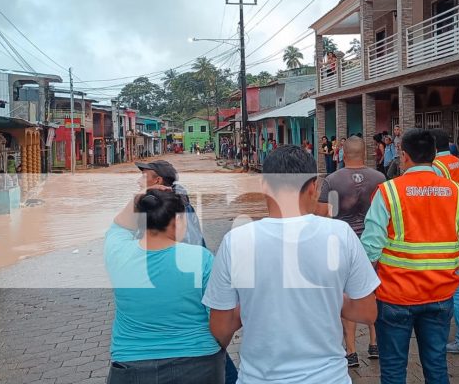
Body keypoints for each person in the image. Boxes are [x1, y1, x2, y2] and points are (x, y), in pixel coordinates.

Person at [204, 145, 380, 384]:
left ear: (263, 187)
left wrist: (254, 304)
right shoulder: (340, 234)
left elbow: (220, 330)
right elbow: (367, 312)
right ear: (313, 188)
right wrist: (325, 297)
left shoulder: (235, 240)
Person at [362, 128, 459, 384]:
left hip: (395, 297)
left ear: (404, 156)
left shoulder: (388, 192)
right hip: (440, 295)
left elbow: (370, 248)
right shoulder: (455, 192)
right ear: (434, 156)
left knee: (394, 370)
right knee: (436, 366)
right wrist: (451, 263)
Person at [108, 189, 236, 384]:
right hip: (199, 365)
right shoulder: (200, 258)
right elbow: (220, 323)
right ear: (177, 221)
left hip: (131, 367)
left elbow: (119, 225)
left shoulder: (117, 252)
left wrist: (142, 197)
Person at [316, 137, 385, 367]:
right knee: (373, 292)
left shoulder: (332, 180)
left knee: (347, 296)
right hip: (373, 245)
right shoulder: (380, 179)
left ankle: (352, 351)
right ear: (365, 153)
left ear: (343, 154)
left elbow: (321, 214)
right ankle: (375, 344)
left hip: (343, 245)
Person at [429, 129, 459, 355]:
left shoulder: (436, 168)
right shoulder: (456, 161)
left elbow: (438, 199)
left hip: (448, 229)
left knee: (454, 285)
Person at [136, 160, 206, 247]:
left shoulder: (177, 207)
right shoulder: (156, 204)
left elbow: (192, 241)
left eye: (144, 177)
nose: (138, 181)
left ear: (157, 181)